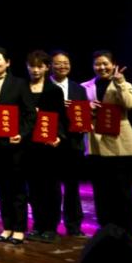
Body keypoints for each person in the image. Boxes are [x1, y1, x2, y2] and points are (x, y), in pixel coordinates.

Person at [82, 50, 132, 231]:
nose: (102, 67)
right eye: (97, 64)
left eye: (105, 63)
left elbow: (131, 104)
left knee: (122, 186)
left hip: (119, 142)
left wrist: (120, 83)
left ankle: (126, 225)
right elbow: (77, 114)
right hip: (96, 142)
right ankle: (105, 224)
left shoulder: (124, 84)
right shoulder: (85, 87)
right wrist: (88, 107)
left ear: (113, 65)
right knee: (101, 187)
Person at [0, 47, 34, 244]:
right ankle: (7, 227)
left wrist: (21, 134)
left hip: (15, 144)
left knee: (17, 188)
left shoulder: (19, 83)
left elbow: (30, 114)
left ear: (7, 62)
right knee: (2, 188)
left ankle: (20, 228)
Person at [24, 50, 67, 244]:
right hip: (28, 145)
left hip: (48, 145)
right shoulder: (22, 88)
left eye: (39, 66)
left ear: (47, 67)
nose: (35, 70)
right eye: (32, 66)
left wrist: (58, 136)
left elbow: (60, 118)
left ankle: (51, 227)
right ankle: (38, 225)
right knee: (34, 188)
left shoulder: (54, 90)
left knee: (51, 187)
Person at [49, 50, 89, 237]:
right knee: (51, 187)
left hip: (73, 144)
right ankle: (50, 225)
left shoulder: (78, 89)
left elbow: (83, 115)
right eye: (58, 63)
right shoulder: (43, 86)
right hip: (51, 143)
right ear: (50, 65)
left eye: (66, 63)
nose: (62, 66)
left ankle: (74, 225)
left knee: (72, 187)